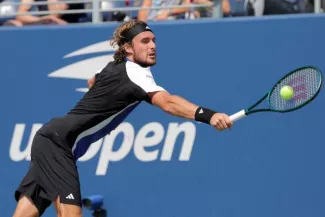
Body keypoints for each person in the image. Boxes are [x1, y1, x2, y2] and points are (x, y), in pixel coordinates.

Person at [12, 19, 233, 217]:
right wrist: (209, 116)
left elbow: (92, 80)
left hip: (49, 138)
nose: (153, 46)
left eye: (154, 41)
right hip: (59, 142)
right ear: (128, 48)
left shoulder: (115, 66)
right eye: (144, 41)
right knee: (71, 213)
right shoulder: (135, 71)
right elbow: (168, 103)